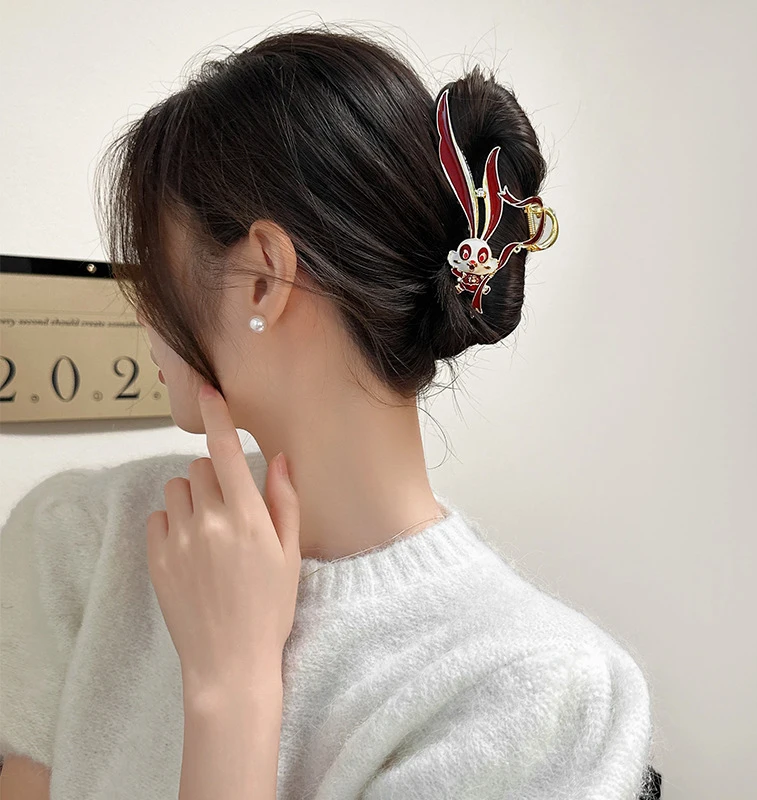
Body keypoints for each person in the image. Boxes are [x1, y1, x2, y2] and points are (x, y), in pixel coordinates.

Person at [0, 24, 661, 799]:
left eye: (155, 266)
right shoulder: (80, 538)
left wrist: (232, 690)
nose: (144, 309)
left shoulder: (544, 695)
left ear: (263, 280)